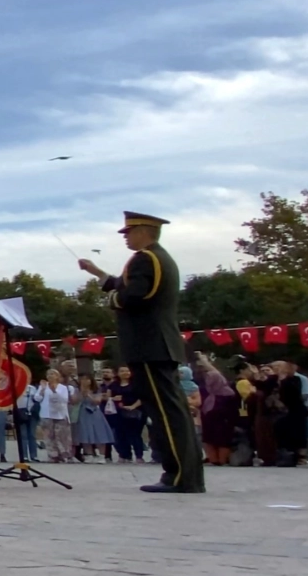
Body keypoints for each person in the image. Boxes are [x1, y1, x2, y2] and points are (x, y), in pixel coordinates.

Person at [80, 211, 205, 494]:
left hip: (150, 345)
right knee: (172, 412)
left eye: (129, 233)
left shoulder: (146, 259)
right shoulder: (158, 259)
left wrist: (112, 299)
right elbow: (126, 284)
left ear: (144, 231)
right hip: (159, 345)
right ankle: (186, 474)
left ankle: (179, 476)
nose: (126, 238)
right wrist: (98, 273)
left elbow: (134, 295)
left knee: (166, 413)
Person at [193, 354, 239, 466]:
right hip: (208, 420)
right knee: (208, 438)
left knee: (223, 440)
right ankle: (213, 459)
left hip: (224, 421)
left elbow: (233, 409)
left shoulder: (228, 393)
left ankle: (222, 460)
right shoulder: (206, 392)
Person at [37, 368, 74, 463]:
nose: (50, 376)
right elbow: (37, 398)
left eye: (52, 374)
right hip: (46, 414)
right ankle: (53, 455)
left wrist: (54, 391)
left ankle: (64, 454)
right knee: (49, 436)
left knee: (61, 435)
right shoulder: (43, 387)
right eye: (48, 374)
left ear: (57, 376)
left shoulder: (62, 387)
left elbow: (65, 399)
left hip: (60, 414)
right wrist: (42, 390)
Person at [74, 374, 115, 460]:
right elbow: (73, 401)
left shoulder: (96, 390)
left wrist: (88, 395)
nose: (85, 381)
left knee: (99, 434)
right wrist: (81, 393)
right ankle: (89, 455)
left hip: (94, 413)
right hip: (82, 413)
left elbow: (97, 401)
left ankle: (102, 455)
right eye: (83, 379)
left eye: (87, 379)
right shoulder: (77, 390)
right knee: (84, 434)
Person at [14, 377, 42, 463]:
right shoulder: (16, 387)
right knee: (23, 435)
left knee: (32, 435)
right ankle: (24, 456)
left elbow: (37, 399)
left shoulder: (32, 388)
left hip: (31, 413)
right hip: (20, 412)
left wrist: (41, 390)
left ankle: (34, 456)